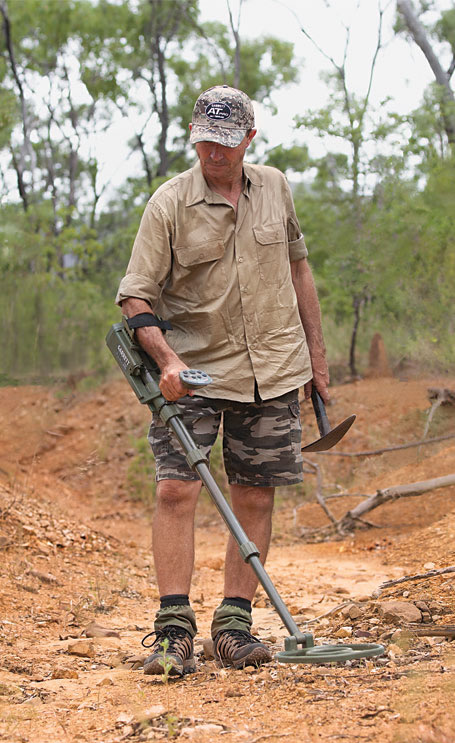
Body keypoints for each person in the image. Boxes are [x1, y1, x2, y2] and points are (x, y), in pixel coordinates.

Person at [116, 85, 329, 677]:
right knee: (175, 490)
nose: (214, 154)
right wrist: (165, 361)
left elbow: (298, 268)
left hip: (274, 368)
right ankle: (173, 629)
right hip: (194, 371)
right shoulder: (168, 204)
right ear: (194, 138)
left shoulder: (277, 188)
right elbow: (135, 296)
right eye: (205, 142)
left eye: (226, 144)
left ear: (249, 141)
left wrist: (316, 356)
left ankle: (234, 625)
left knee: (256, 491)